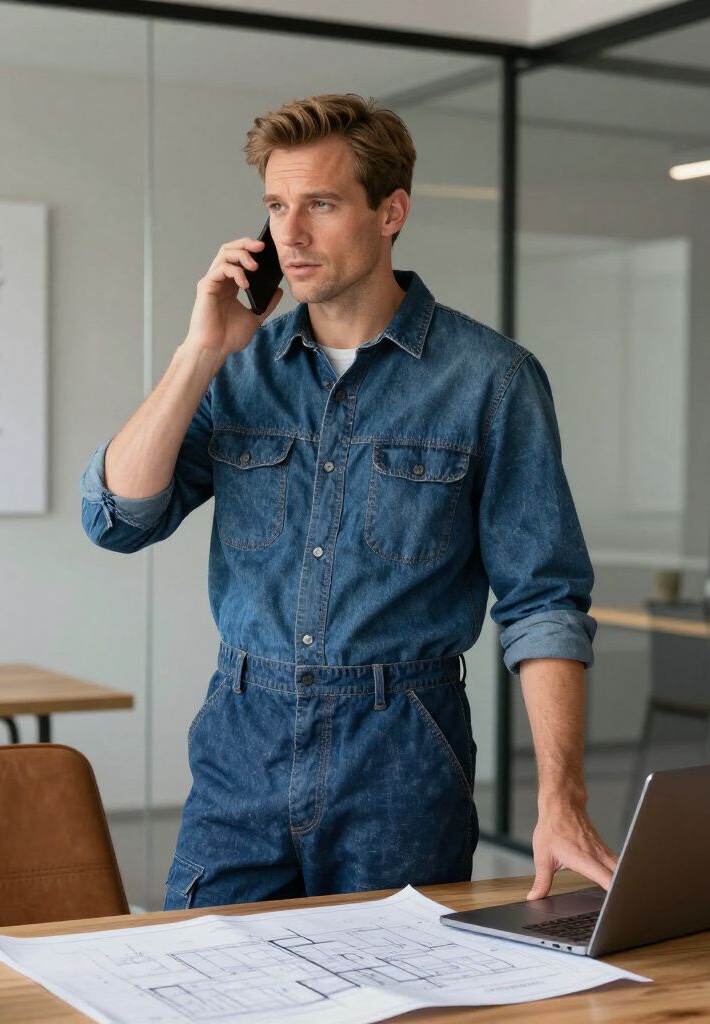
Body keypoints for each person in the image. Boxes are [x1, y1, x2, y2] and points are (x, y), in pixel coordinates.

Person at [81, 93, 616, 910]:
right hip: (242, 741)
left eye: (320, 205)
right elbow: (116, 519)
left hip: (403, 751)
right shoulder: (240, 367)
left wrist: (561, 798)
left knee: (397, 993)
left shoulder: (492, 380)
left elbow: (543, 601)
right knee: (206, 985)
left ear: (391, 210)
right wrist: (200, 352)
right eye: (275, 207)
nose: (288, 235)